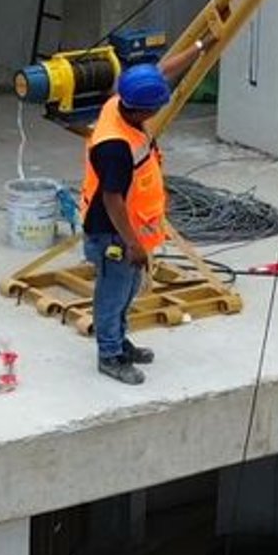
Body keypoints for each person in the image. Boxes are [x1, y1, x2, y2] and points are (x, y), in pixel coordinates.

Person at [78, 41, 206, 386]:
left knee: (129, 286)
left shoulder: (119, 103)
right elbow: (112, 198)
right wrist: (132, 243)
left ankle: (120, 341)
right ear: (142, 112)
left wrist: (199, 46)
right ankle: (110, 355)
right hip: (114, 232)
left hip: (132, 229)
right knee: (113, 292)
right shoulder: (114, 146)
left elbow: (162, 71)